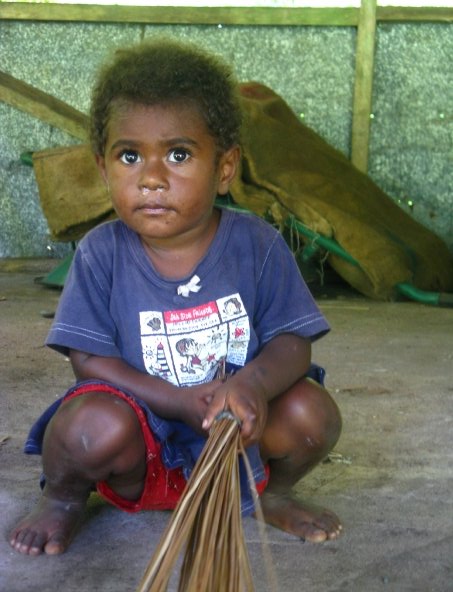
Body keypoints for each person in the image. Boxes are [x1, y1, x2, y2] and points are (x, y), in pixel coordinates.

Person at [10, 38, 342, 556]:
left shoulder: (257, 244)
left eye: (179, 154)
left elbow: (294, 342)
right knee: (87, 425)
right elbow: (89, 361)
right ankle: (65, 498)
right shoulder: (101, 252)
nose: (152, 179)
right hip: (141, 451)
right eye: (129, 155)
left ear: (225, 167)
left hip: (234, 441)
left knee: (311, 413)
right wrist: (178, 401)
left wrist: (251, 384)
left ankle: (271, 493)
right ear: (103, 168)